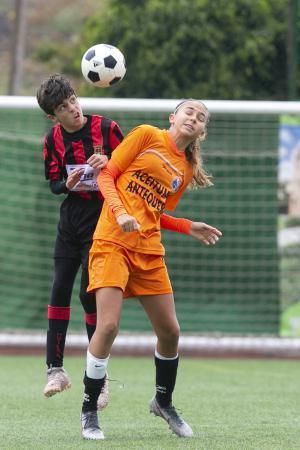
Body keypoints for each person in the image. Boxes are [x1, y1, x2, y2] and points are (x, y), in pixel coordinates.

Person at [79, 99, 222, 440]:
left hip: (148, 250)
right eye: (189, 112)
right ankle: (88, 412)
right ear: (173, 117)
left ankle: (163, 401)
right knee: (109, 325)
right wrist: (120, 214)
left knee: (170, 331)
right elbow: (106, 176)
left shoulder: (184, 169)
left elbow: (154, 212)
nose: (194, 117)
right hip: (112, 242)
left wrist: (187, 226)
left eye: (201, 117)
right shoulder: (145, 135)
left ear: (202, 130)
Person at [36, 73, 123, 409]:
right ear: (52, 115)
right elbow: (54, 184)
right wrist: (68, 184)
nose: (72, 108)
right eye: (62, 106)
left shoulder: (107, 129)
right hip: (69, 224)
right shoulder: (52, 140)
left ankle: (98, 380)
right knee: (59, 289)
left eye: (72, 99)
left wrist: (111, 162)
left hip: (102, 225)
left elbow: (131, 168)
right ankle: (55, 370)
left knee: (90, 297)